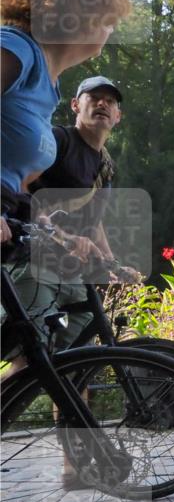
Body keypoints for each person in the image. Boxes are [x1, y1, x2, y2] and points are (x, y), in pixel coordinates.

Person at [1, 0, 131, 247]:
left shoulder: (50, 87)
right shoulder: (16, 50)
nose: (111, 30)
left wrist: (53, 231)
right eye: (107, 18)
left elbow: (15, 179)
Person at [9, 76, 133, 353]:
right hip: (32, 261)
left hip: (74, 273)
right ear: (76, 105)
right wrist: (63, 236)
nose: (102, 103)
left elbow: (93, 220)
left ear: (117, 116)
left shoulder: (106, 165)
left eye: (110, 101)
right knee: (32, 356)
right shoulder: (57, 141)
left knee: (79, 361)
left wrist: (112, 263)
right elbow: (20, 186)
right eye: (94, 97)